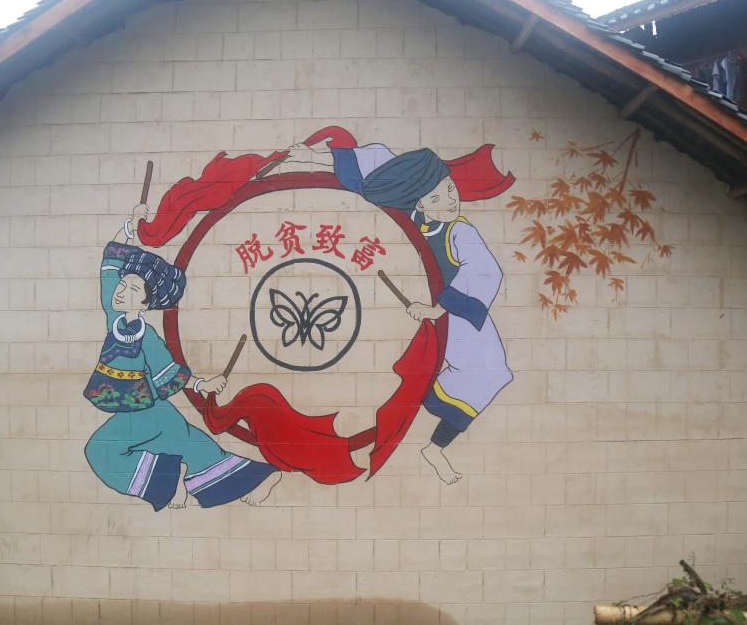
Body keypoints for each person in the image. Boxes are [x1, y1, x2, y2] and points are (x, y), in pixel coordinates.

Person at [288, 143, 513, 484]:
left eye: (450, 189)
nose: (449, 201)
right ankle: (425, 431)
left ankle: (434, 446)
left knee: (490, 372)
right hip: (414, 315)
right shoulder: (410, 218)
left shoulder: (460, 231)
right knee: (454, 372)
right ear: (420, 203)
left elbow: (485, 272)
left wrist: (438, 307)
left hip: (458, 318)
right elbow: (380, 163)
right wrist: (315, 157)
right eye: (436, 198)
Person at [83, 205, 281, 509]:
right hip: (153, 414)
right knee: (199, 451)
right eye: (123, 284)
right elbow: (109, 265)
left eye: (133, 289)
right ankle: (258, 478)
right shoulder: (115, 318)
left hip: (145, 413)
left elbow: (168, 372)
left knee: (101, 451)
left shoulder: (147, 336)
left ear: (146, 303)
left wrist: (201, 385)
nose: (121, 291)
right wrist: (130, 228)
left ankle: (167, 484)